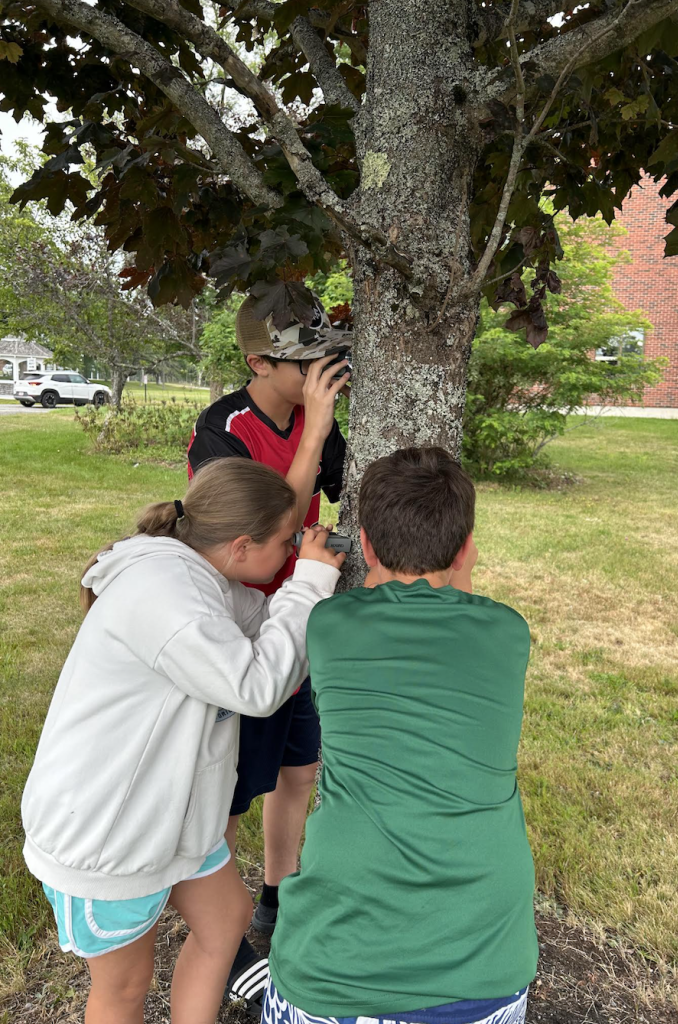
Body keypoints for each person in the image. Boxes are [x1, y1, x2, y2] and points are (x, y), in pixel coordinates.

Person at [21, 458, 345, 1024]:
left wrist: (308, 590)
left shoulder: (202, 578)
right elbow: (257, 684)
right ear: (243, 546)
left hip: (171, 820)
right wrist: (311, 581)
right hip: (110, 835)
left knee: (226, 923)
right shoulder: (164, 592)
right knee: (124, 989)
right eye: (286, 542)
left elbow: (268, 623)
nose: (292, 554)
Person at [267, 447, 539, 1024]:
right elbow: (461, 605)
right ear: (466, 548)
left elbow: (376, 604)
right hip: (487, 959)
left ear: (363, 546)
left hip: (334, 965)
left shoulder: (331, 624)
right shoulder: (509, 634)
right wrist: (454, 562)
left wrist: (317, 566)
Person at [187, 292, 351, 1011]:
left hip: (304, 610)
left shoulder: (321, 415)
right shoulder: (223, 429)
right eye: (304, 360)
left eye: (327, 353)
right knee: (226, 788)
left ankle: (276, 897)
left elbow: (348, 489)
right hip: (243, 624)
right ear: (258, 362)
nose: (323, 369)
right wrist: (314, 429)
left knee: (299, 765)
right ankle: (217, 928)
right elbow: (266, 526)